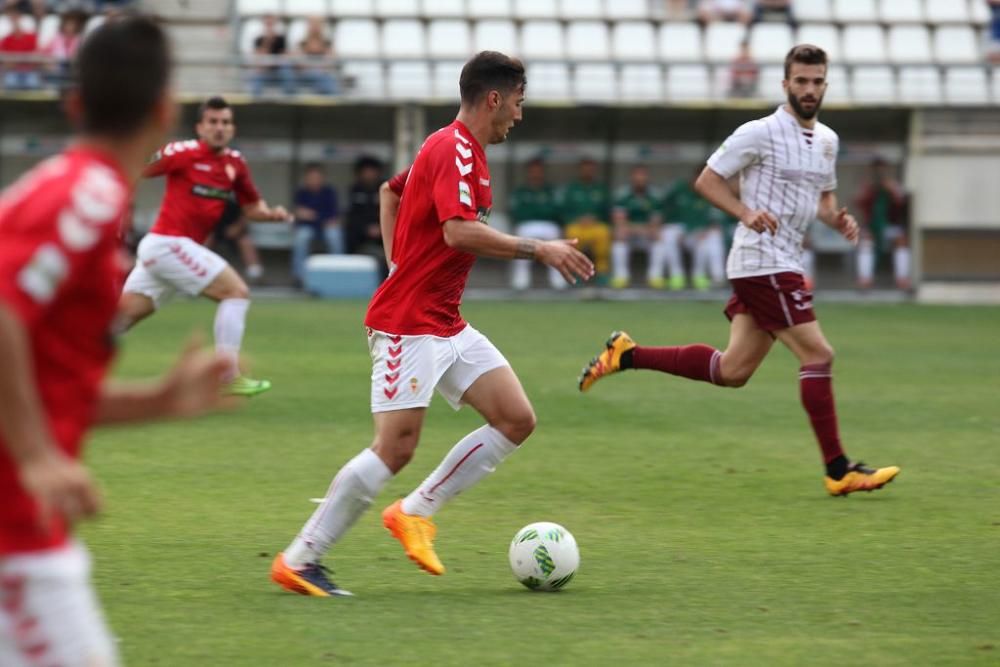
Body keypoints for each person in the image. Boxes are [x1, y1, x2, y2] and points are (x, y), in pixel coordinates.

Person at [270, 50, 594, 596]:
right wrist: (538, 249)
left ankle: (414, 511)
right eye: (518, 100)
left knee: (515, 418)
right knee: (395, 446)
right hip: (407, 323)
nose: (520, 112)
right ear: (495, 98)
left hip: (444, 321)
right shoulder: (452, 148)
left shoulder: (457, 150)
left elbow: (391, 191)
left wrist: (400, 259)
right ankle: (301, 559)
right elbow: (457, 232)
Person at [0, 18, 233, 667]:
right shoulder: (91, 193)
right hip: (16, 536)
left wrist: (157, 400)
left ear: (74, 105)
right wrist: (37, 453)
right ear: (167, 110)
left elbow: (53, 390)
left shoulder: (77, 196)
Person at [579, 45, 900, 497]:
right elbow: (707, 180)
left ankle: (626, 354)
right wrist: (744, 211)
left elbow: (823, 202)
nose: (809, 89)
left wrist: (837, 219)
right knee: (818, 355)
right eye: (801, 81)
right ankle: (838, 468)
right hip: (762, 260)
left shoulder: (827, 141)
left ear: (825, 84)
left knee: (732, 370)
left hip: (782, 261)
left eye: (816, 81)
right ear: (785, 83)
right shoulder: (759, 132)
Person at [116, 96, 292, 397]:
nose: (219, 128)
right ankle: (228, 375)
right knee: (236, 292)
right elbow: (135, 165)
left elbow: (252, 208)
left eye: (225, 122)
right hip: (168, 244)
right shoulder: (182, 153)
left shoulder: (235, 163)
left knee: (120, 319)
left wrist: (271, 214)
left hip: (169, 254)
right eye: (212, 122)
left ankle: (60, 364)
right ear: (200, 127)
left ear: (232, 128)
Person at [611, 164, 680, 290]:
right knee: (618, 239)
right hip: (629, 236)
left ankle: (654, 277)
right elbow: (620, 222)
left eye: (643, 176)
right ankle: (621, 277)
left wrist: (641, 229)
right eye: (637, 176)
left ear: (647, 178)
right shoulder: (623, 195)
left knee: (660, 239)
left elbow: (656, 223)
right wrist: (635, 229)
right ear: (631, 177)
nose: (640, 179)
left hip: (646, 235)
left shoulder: (654, 196)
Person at [664, 167, 727, 290]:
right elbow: (667, 217)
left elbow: (716, 221)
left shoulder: (711, 193)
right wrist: (681, 231)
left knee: (711, 238)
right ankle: (676, 276)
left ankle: (703, 277)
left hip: (699, 235)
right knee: (668, 235)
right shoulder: (680, 190)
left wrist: (704, 231)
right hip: (682, 233)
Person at [854, 157, 911, 291]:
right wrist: (869, 189)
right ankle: (865, 279)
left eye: (882, 169)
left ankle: (902, 278)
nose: (879, 172)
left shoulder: (893, 185)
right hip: (871, 226)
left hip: (890, 225)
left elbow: (902, 202)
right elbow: (858, 202)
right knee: (865, 241)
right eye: (876, 169)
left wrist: (890, 188)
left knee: (901, 240)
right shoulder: (866, 186)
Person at [509, 156, 565, 290]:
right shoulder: (521, 191)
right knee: (521, 240)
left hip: (548, 225)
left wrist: (536, 210)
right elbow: (517, 212)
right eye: (533, 171)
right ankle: (521, 281)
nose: (536, 173)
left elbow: (556, 211)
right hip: (526, 225)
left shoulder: (550, 190)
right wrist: (539, 210)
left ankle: (557, 280)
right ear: (528, 172)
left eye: (538, 170)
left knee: (555, 241)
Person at [560, 157, 612, 284]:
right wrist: (577, 219)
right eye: (585, 169)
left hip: (596, 226)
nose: (588, 171)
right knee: (572, 236)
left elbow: (608, 212)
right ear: (580, 170)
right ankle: (576, 273)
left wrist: (596, 219)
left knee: (603, 233)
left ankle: (602, 273)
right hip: (577, 226)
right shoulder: (572, 189)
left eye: (591, 169)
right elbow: (563, 211)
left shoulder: (601, 188)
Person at [291, 162, 341, 284]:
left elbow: (333, 216)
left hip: (326, 227)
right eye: (311, 178)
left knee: (334, 235)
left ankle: (337, 273)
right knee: (302, 237)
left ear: (323, 178)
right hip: (307, 227)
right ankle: (300, 278)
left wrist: (314, 215)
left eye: (317, 178)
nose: (314, 181)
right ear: (306, 179)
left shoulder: (329, 192)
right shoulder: (301, 193)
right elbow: (298, 214)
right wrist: (310, 215)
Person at [343, 155, 388, 277]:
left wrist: (381, 228)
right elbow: (351, 217)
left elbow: (392, 213)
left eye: (372, 171)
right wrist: (366, 229)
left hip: (383, 236)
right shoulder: (354, 190)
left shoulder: (385, 189)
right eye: (366, 171)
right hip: (359, 238)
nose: (369, 174)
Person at [250, 14, 294, 97]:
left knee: (287, 70)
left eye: (271, 23)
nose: (269, 26)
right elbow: (258, 57)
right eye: (267, 23)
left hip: (279, 71)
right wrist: (267, 41)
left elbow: (285, 55)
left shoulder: (281, 38)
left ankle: (290, 96)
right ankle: (255, 100)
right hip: (265, 71)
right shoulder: (258, 39)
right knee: (256, 76)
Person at [40, 9, 85, 88]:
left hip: (72, 71)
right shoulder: (56, 39)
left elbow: (82, 56)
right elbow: (44, 53)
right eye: (68, 25)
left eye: (72, 25)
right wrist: (49, 63)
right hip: (57, 70)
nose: (69, 27)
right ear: (63, 26)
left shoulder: (79, 40)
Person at [0, 6, 40, 90]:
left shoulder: (31, 37)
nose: (15, 22)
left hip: (29, 71)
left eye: (16, 18)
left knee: (33, 83)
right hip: (12, 72)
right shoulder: (6, 40)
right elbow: (4, 61)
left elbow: (35, 57)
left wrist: (19, 61)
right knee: (9, 82)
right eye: (12, 19)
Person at [296, 15, 337, 95]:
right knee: (323, 79)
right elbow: (299, 64)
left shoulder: (327, 43)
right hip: (306, 76)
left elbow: (330, 62)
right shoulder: (302, 43)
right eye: (312, 24)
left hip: (323, 74)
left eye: (317, 24)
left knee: (327, 79)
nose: (315, 27)